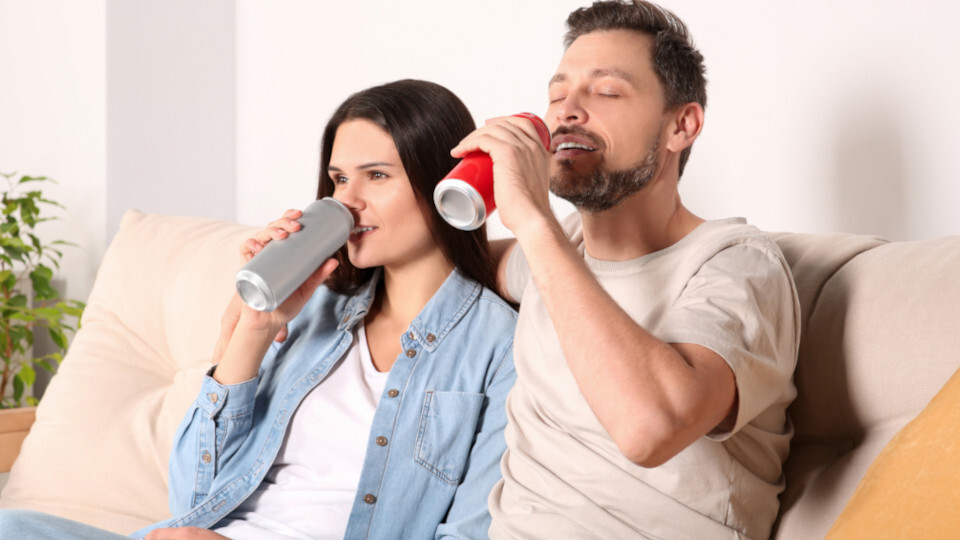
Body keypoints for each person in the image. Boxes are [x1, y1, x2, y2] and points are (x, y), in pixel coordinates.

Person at [0, 79, 517, 540]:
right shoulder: (314, 309)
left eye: (376, 176)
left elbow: (472, 531)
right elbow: (192, 503)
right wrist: (253, 328)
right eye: (338, 179)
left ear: (443, 183)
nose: (348, 202)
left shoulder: (499, 346)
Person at [451, 1, 800, 538]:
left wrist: (532, 220)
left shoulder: (736, 263)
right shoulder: (559, 250)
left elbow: (649, 430)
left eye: (607, 92)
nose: (567, 111)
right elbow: (443, 266)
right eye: (556, 94)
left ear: (681, 125)